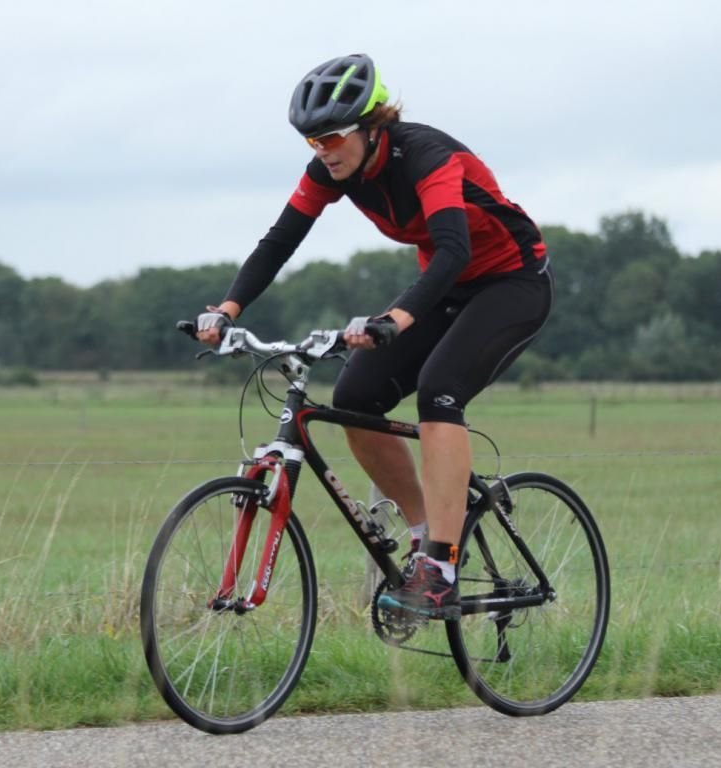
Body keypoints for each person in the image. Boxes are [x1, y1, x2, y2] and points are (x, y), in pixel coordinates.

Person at [195, 53, 553, 620]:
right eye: (311, 141)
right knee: (356, 399)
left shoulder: (427, 156)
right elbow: (279, 241)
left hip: (512, 282)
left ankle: (443, 564)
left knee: (439, 391)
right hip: (447, 287)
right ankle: (423, 538)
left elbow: (453, 248)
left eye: (332, 136)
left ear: (371, 126)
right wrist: (228, 309)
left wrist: (396, 318)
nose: (323, 151)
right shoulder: (331, 170)